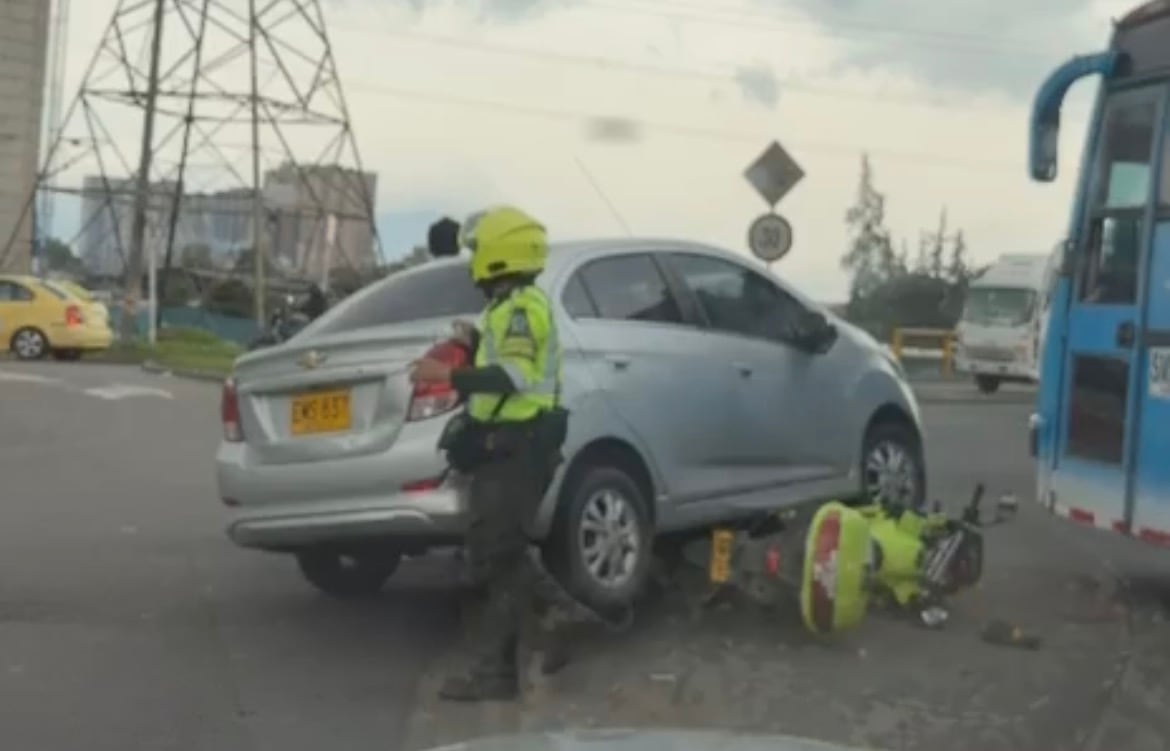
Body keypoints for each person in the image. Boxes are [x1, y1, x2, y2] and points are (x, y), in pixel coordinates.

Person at [411, 206, 569, 702]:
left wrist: (447, 376)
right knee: (496, 554)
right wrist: (474, 340)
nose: (474, 258)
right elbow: (505, 360)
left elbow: (514, 377)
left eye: (478, 249)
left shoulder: (522, 308)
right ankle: (547, 629)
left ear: (501, 255)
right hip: (504, 446)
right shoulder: (506, 309)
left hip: (518, 446)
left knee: (496, 555)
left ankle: (537, 638)